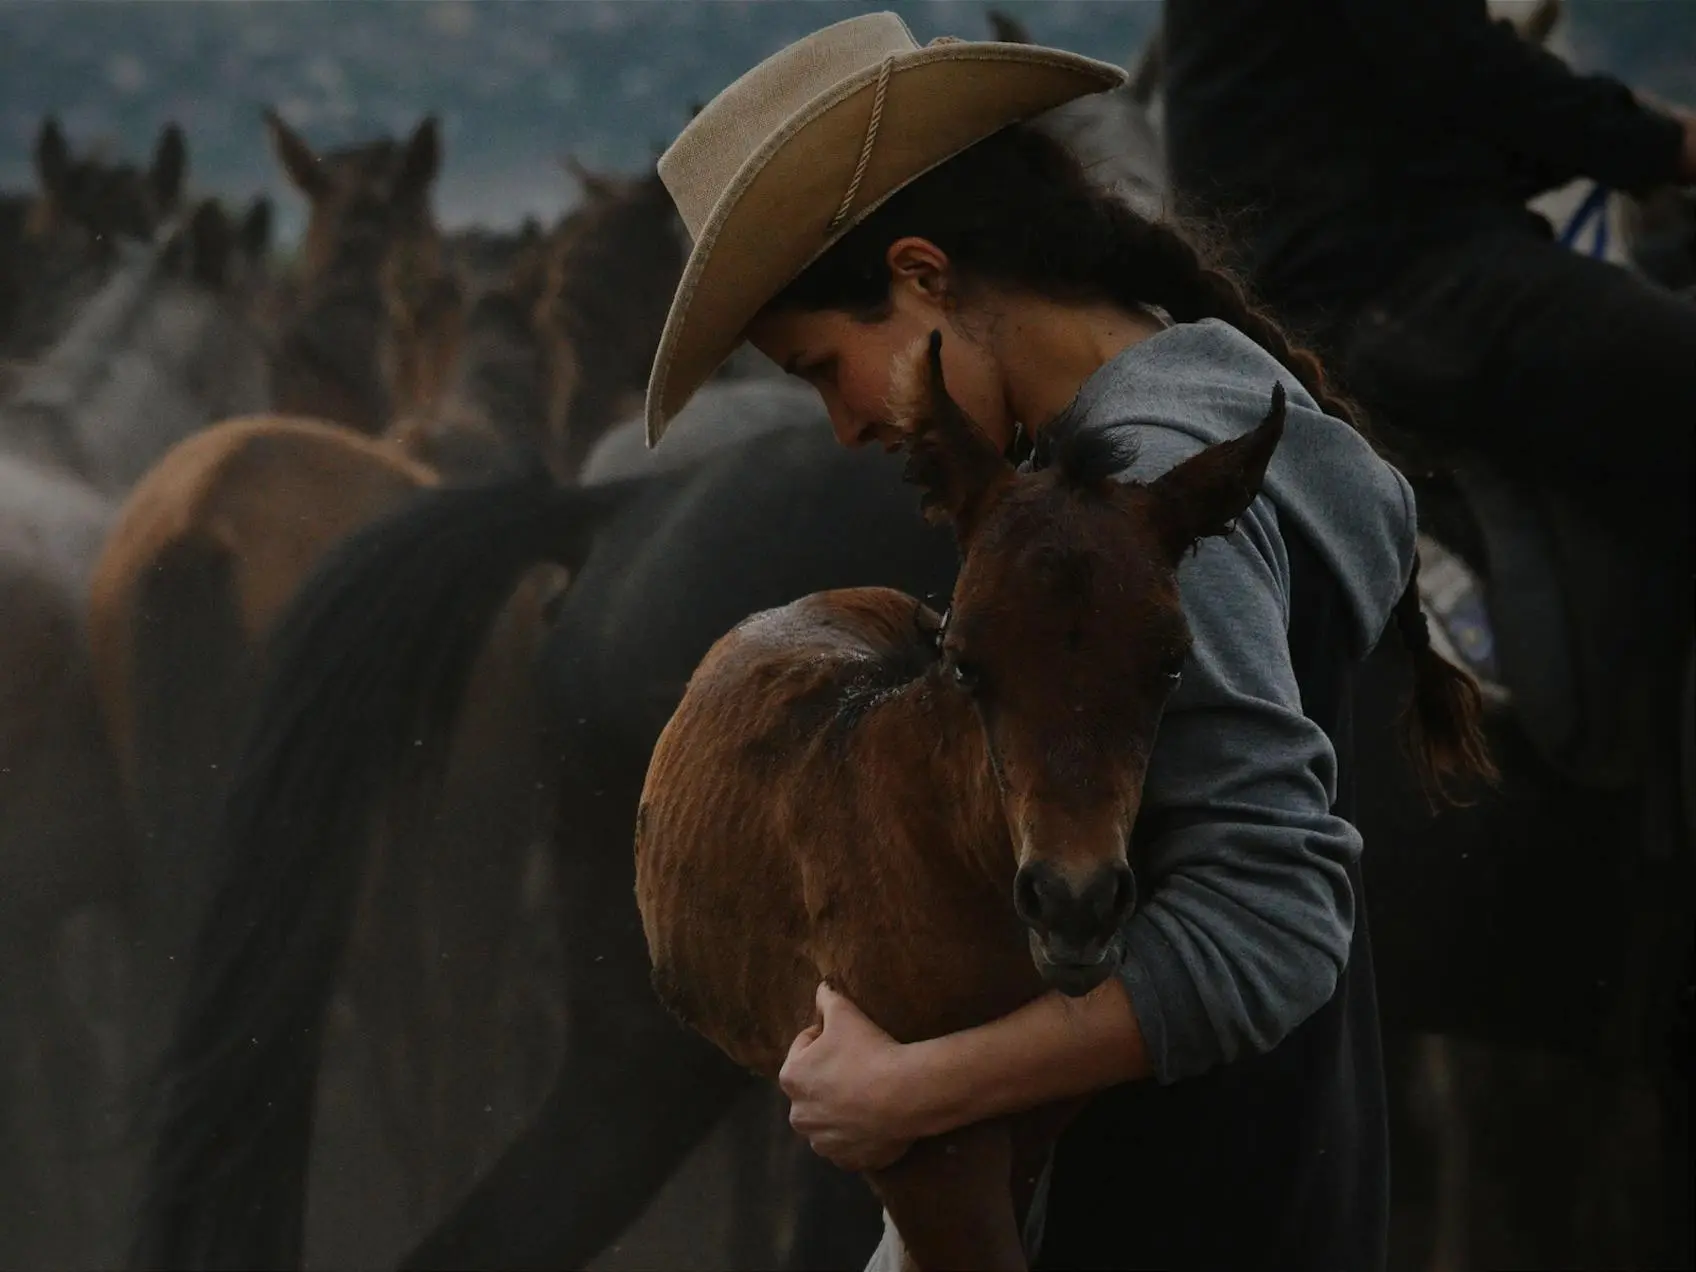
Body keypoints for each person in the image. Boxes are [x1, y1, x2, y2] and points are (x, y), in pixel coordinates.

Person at [642, 13, 1491, 1269]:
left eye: (827, 368)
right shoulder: (1169, 426)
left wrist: (911, 1094)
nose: (839, 427)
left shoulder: (1137, 489)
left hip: (1166, 1200)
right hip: (1281, 1163)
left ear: (923, 278)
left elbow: (1272, 918)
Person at [1162, 0, 1696, 563]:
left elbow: (1435, 107)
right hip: (1395, 287)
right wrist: (1662, 144)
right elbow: (1471, 73)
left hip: (1318, 332)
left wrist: (1631, 138)